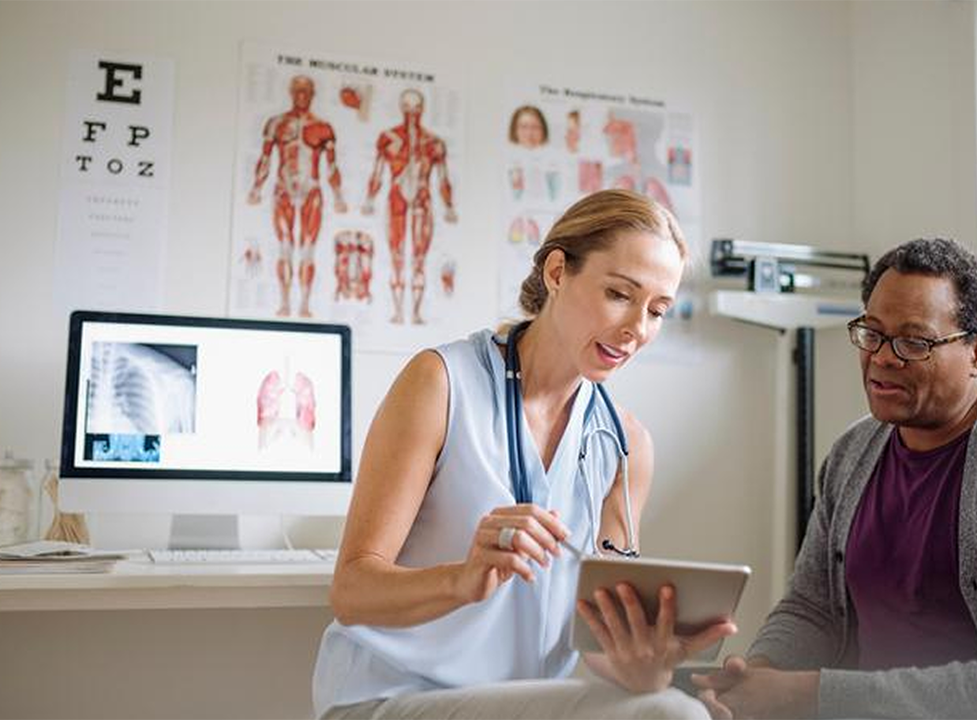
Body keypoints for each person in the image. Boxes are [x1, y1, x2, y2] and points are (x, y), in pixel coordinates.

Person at [692, 238, 977, 720]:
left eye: (914, 342)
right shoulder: (852, 454)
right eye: (871, 333)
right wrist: (755, 678)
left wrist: (809, 696)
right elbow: (811, 609)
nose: (882, 358)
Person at [314, 189, 735, 720]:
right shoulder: (442, 384)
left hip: (518, 703)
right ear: (557, 272)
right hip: (388, 695)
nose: (637, 329)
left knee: (673, 706)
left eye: (657, 310)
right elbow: (351, 591)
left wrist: (648, 667)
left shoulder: (624, 445)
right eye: (619, 294)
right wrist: (462, 579)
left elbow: (595, 641)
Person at [247, 75, 348, 318]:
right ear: (291, 92)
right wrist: (256, 189)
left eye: (306, 91)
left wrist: (338, 196)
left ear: (313, 94)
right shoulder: (276, 124)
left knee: (307, 251)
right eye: (298, 91)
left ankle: (303, 304)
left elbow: (332, 166)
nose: (302, 95)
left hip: (311, 190)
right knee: (284, 248)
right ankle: (284, 303)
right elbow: (265, 159)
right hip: (283, 190)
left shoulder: (323, 128)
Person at [360, 88, 457, 325]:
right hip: (397, 199)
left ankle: (414, 313)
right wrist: (370, 200)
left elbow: (443, 178)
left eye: (416, 108)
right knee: (397, 257)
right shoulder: (388, 139)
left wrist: (448, 207)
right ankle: (397, 311)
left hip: (422, 200)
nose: (411, 113)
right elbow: (378, 172)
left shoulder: (434, 143)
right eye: (407, 107)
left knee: (419, 260)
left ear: (422, 109)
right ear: (401, 108)